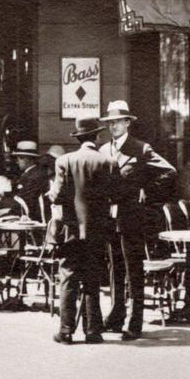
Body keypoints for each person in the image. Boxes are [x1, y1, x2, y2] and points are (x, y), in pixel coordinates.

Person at [100, 100, 176, 339]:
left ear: (127, 123)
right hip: (109, 218)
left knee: (134, 268)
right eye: (110, 122)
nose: (114, 126)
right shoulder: (103, 150)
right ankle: (116, 314)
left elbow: (169, 172)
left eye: (118, 122)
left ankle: (135, 321)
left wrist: (147, 190)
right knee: (115, 267)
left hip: (132, 217)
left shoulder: (141, 149)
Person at [49, 117, 119, 344]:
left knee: (68, 278)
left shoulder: (64, 161)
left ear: (79, 138)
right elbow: (116, 195)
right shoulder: (108, 162)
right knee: (92, 279)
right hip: (96, 230)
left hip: (70, 230)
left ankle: (66, 330)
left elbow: (58, 196)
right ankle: (92, 331)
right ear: (97, 137)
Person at [12, 140, 48, 212]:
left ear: (27, 159)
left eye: (19, 158)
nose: (16, 161)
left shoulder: (34, 176)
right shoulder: (30, 173)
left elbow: (24, 202)